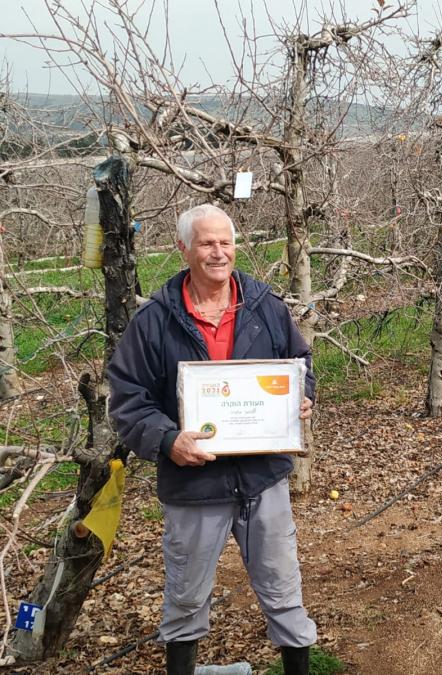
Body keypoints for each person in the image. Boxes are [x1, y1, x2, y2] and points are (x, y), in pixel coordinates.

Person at [108, 204, 317, 675]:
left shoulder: (265, 306)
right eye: (206, 243)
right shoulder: (155, 322)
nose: (218, 252)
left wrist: (300, 396)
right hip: (194, 486)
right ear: (184, 249)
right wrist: (166, 440)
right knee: (185, 599)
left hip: (262, 478)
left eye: (225, 242)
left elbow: (299, 363)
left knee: (285, 591)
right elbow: (126, 398)